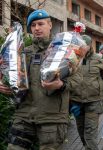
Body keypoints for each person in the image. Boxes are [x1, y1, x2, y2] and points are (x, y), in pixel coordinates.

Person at [0, 9, 76, 150]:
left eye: (40, 24)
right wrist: (7, 87)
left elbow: (79, 81)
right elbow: (17, 82)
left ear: (50, 25)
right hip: (24, 115)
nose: (36, 28)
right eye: (33, 25)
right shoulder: (22, 52)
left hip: (51, 118)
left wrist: (61, 84)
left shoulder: (63, 50)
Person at [69, 35, 103, 150]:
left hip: (94, 101)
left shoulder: (98, 59)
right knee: (81, 132)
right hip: (77, 102)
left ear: (89, 46)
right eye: (79, 46)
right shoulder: (72, 58)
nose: (81, 48)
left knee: (90, 135)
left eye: (84, 46)